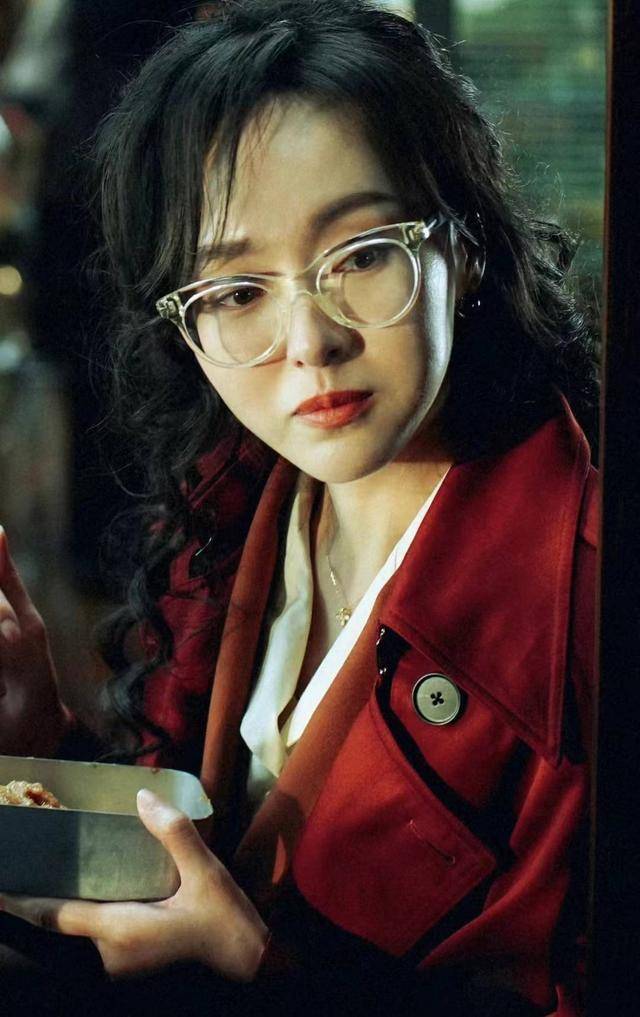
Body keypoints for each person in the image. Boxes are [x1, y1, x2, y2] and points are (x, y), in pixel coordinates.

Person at [0, 1, 598, 1014]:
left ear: (463, 247)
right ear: (184, 328)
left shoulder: (587, 589)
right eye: (236, 293)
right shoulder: (231, 506)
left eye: (360, 254)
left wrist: (257, 970)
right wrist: (29, 743)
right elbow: (168, 895)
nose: (310, 341)